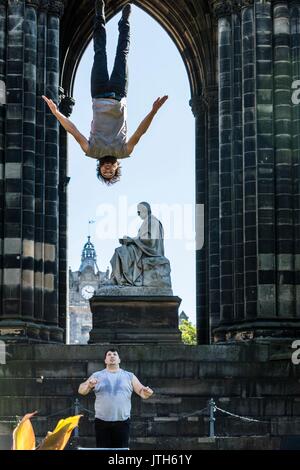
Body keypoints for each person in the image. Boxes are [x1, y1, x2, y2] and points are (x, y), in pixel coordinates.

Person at [43, 1, 168, 185]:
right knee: (122, 54)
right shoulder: (125, 152)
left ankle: (99, 16)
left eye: (105, 172)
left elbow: (73, 131)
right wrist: (154, 111)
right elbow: (140, 132)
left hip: (98, 93)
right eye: (111, 172)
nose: (108, 169)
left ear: (100, 168)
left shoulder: (91, 151)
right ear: (117, 168)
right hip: (118, 93)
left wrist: (56, 113)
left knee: (99, 52)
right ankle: (124, 22)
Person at [78, 348, 153, 449]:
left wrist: (147, 392)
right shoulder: (97, 375)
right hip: (102, 422)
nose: (112, 356)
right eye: (109, 355)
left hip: (122, 422)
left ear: (119, 360)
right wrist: (89, 385)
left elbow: (142, 393)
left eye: (114, 354)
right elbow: (81, 390)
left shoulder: (129, 376)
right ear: (105, 360)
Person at [109, 201, 165, 286]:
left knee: (120, 251)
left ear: (144, 210)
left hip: (149, 251)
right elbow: (141, 238)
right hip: (142, 248)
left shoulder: (153, 221)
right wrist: (129, 240)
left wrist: (132, 240)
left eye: (138, 212)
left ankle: (123, 280)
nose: (138, 214)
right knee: (120, 250)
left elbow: (151, 241)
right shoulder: (147, 221)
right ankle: (116, 278)